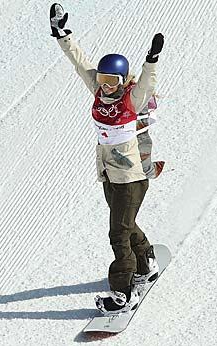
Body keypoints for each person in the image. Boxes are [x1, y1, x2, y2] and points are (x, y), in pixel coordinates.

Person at [49, 3, 164, 315]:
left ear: (123, 80)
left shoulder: (130, 99)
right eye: (102, 79)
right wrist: (62, 35)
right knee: (125, 223)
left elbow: (147, 83)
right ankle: (146, 260)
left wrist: (151, 60)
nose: (104, 85)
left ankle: (123, 292)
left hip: (131, 178)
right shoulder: (100, 94)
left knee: (118, 233)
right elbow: (79, 62)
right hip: (109, 174)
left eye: (111, 81)